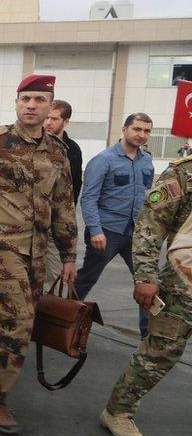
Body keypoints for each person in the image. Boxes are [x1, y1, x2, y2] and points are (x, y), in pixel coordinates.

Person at [0, 74, 77, 435]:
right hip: (0, 248)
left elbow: (64, 204)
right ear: (16, 102)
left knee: (10, 323)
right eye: (26, 99)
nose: (32, 105)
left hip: (37, 252)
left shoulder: (57, 150)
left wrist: (69, 254)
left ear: (51, 106)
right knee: (18, 321)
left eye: (40, 99)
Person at [100, 153, 192, 436]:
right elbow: (151, 225)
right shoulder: (184, 173)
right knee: (160, 353)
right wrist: (145, 276)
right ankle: (118, 411)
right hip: (183, 283)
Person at [75, 113, 155, 337]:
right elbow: (88, 198)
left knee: (147, 283)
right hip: (107, 232)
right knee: (86, 279)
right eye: (137, 129)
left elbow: (147, 195)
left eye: (146, 131)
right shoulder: (103, 160)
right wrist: (96, 231)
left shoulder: (146, 160)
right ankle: (63, 321)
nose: (141, 135)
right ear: (125, 129)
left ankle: (148, 338)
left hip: (137, 233)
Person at [43, 99, 84, 285]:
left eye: (54, 118)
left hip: (55, 223)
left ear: (65, 121)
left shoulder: (72, 150)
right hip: (26, 223)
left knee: (54, 279)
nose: (48, 123)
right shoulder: (31, 143)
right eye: (46, 118)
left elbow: (73, 188)